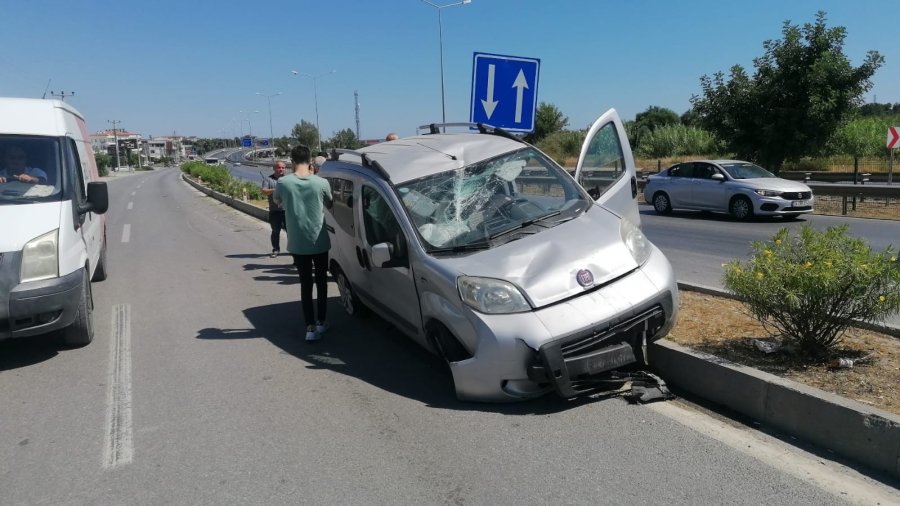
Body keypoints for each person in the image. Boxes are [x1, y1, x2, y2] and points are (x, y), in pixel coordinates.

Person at [274, 145, 333, 341]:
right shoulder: (321, 182)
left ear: (292, 162)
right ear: (310, 162)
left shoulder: (283, 182)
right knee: (322, 282)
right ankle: (322, 322)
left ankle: (310, 328)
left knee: (305, 284)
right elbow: (330, 203)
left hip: (298, 242)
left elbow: (277, 201)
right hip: (319, 240)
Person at [261, 160, 287, 257]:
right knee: (276, 231)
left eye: (283, 168)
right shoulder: (268, 179)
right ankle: (276, 250)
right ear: (274, 168)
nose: (281, 169)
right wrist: (275, 190)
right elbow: (264, 191)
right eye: (279, 167)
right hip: (275, 211)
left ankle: (293, 251)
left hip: (288, 211)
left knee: (291, 232)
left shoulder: (288, 179)